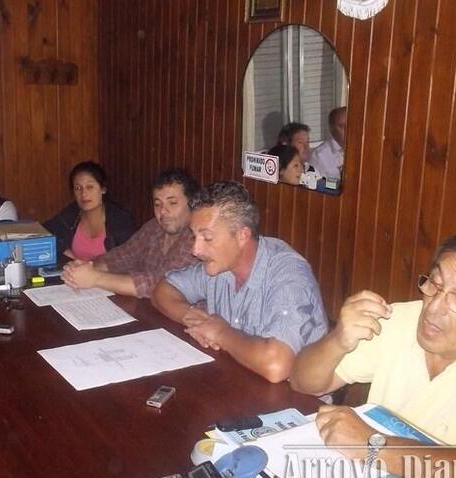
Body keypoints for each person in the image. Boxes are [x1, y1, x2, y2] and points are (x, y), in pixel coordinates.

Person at [289, 232, 456, 478]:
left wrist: (378, 447)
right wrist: (338, 339)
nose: (433, 309)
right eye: (435, 284)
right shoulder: (401, 319)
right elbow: (303, 382)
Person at [151, 181, 328, 383]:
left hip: (297, 404)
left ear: (243, 235)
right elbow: (163, 290)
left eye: (207, 238)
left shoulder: (289, 274)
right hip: (241, 382)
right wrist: (192, 318)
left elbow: (277, 365)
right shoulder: (220, 265)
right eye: (195, 236)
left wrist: (220, 333)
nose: (195, 250)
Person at [62, 168, 198, 298]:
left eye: (172, 203)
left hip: (183, 318)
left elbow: (162, 284)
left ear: (191, 203)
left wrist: (96, 278)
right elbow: (124, 255)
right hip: (148, 311)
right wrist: (88, 267)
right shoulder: (154, 226)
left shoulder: (196, 237)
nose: (163, 211)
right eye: (157, 204)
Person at [44, 161, 134, 261]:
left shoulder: (120, 220)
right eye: (78, 188)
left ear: (103, 189)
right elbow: (42, 232)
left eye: (90, 187)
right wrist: (67, 253)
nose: (84, 194)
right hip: (74, 274)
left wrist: (92, 270)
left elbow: (128, 261)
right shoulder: (71, 213)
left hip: (108, 276)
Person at [308, 106, 347, 180]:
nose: (348, 129)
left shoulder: (363, 149)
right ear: (331, 128)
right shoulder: (318, 157)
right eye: (343, 126)